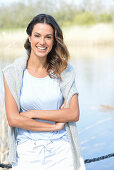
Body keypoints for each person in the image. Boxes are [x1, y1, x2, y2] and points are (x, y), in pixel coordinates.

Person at [2, 14, 86, 170]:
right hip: (27, 152)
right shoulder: (12, 73)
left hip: (62, 150)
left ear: (54, 41)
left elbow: (73, 113)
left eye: (48, 37)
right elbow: (14, 119)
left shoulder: (65, 72)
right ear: (29, 38)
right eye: (37, 36)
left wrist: (33, 112)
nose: (42, 42)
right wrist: (54, 126)